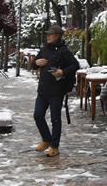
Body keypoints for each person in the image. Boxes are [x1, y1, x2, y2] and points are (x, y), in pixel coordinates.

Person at [33, 24, 79, 157]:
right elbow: (34, 64)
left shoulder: (63, 51)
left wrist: (62, 71)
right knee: (38, 115)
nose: (47, 36)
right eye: (47, 34)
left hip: (56, 91)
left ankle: (54, 146)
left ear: (57, 36)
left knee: (55, 119)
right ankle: (46, 139)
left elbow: (75, 65)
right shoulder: (44, 49)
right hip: (42, 90)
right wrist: (36, 63)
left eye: (50, 34)